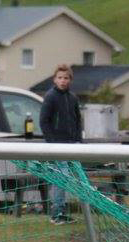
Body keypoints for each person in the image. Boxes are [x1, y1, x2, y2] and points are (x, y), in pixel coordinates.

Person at [38, 63, 82, 225]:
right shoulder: (50, 97)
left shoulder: (73, 98)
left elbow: (77, 121)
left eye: (66, 78)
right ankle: (56, 213)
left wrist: (78, 141)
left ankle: (63, 210)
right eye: (60, 78)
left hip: (72, 145)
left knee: (73, 179)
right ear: (54, 79)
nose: (63, 81)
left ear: (70, 80)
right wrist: (52, 143)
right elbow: (44, 121)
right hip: (57, 145)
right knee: (60, 179)